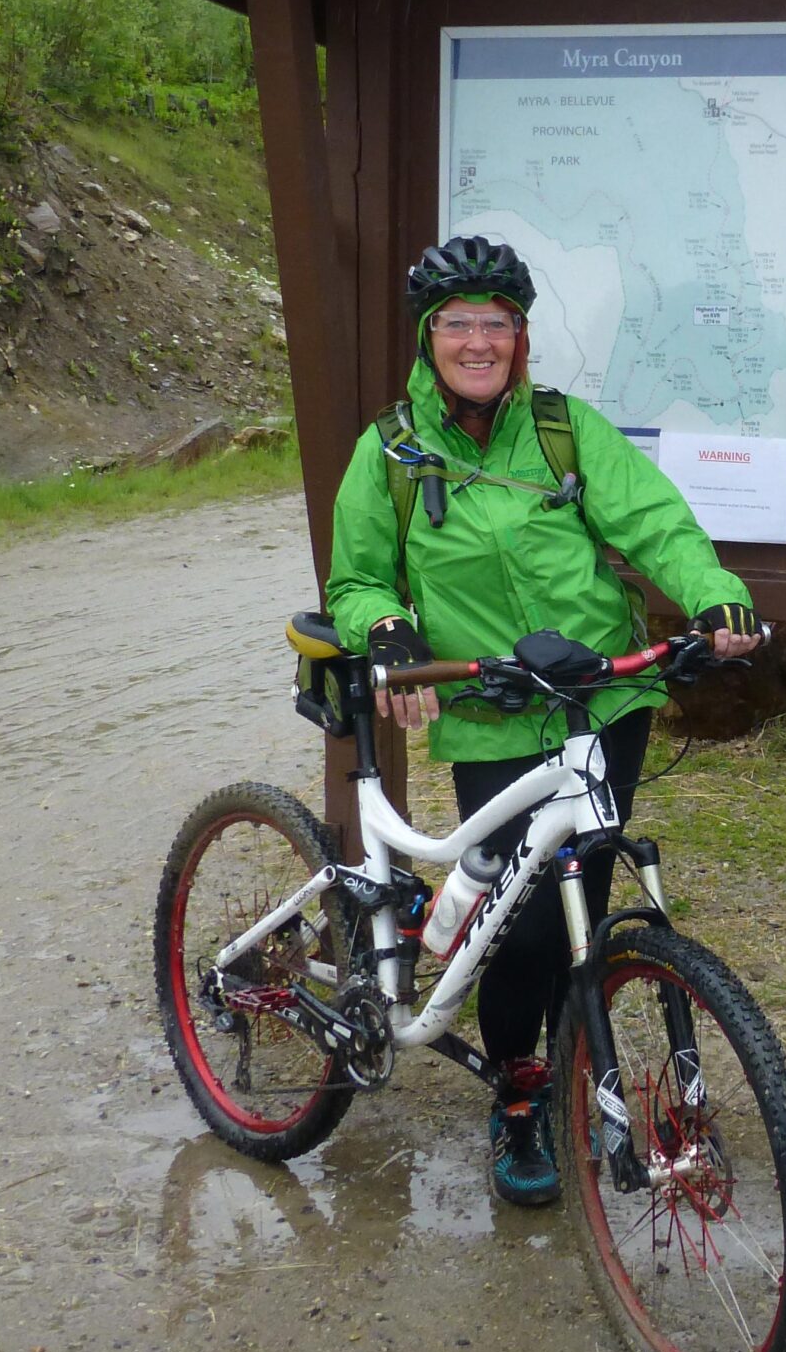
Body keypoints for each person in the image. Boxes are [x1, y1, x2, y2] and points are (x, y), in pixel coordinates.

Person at [326, 236, 761, 1207]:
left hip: (600, 705)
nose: (478, 341)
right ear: (428, 338)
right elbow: (355, 580)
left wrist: (714, 596)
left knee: (581, 908)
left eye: (497, 323)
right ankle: (520, 1092)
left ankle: (573, 1069)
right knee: (519, 930)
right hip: (488, 712)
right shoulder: (389, 453)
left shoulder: (565, 431)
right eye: (458, 324)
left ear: (520, 337)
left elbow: (655, 522)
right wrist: (387, 629)